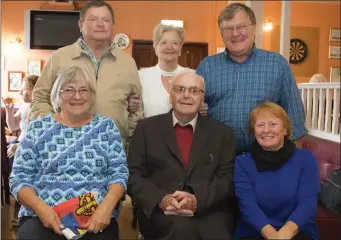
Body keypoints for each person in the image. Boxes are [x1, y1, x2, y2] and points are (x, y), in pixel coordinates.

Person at [9, 66, 129, 240]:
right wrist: (42, 209)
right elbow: (19, 178)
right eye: (69, 90)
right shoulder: (38, 128)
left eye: (83, 90)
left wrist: (107, 207)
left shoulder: (107, 128)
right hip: (43, 214)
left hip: (94, 215)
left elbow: (119, 173)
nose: (77, 96)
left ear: (92, 95)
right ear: (57, 94)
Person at [127, 71, 236, 240]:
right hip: (161, 212)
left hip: (208, 211)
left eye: (194, 91)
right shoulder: (146, 129)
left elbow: (226, 179)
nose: (186, 96)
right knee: (180, 229)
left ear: (202, 98)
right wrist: (162, 199)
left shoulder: (222, 133)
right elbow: (134, 176)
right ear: (170, 96)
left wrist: (197, 199)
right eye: (180, 89)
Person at [196, 3, 306, 155]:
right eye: (229, 29)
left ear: (254, 28)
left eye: (241, 26)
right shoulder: (206, 66)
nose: (235, 34)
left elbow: (295, 116)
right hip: (217, 158)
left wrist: (295, 163)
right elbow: (194, 110)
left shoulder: (277, 64)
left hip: (267, 157)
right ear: (222, 34)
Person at [30, 1, 143, 147]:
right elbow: (40, 98)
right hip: (64, 146)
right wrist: (53, 128)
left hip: (113, 148)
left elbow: (137, 109)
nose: (100, 24)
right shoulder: (59, 58)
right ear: (80, 24)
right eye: (93, 19)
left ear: (112, 25)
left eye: (106, 20)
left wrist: (128, 139)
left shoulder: (128, 62)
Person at [233, 101, 320, 240]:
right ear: (254, 131)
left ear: (285, 130)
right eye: (260, 125)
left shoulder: (306, 159)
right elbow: (247, 206)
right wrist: (273, 236)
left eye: (273, 124)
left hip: (298, 230)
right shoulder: (242, 163)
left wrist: (286, 233)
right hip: (254, 231)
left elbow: (308, 203)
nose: (266, 130)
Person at [128, 23, 208, 118]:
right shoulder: (141, 76)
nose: (169, 47)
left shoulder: (193, 75)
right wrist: (129, 105)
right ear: (155, 47)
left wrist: (202, 108)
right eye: (164, 42)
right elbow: (131, 108)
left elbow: (200, 105)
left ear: (180, 48)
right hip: (151, 131)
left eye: (175, 43)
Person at [2, 75, 38, 165]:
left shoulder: (42, 109)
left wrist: (19, 147)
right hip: (21, 142)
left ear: (32, 90)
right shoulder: (25, 105)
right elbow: (13, 127)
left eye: (23, 89)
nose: (20, 93)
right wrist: (9, 111)